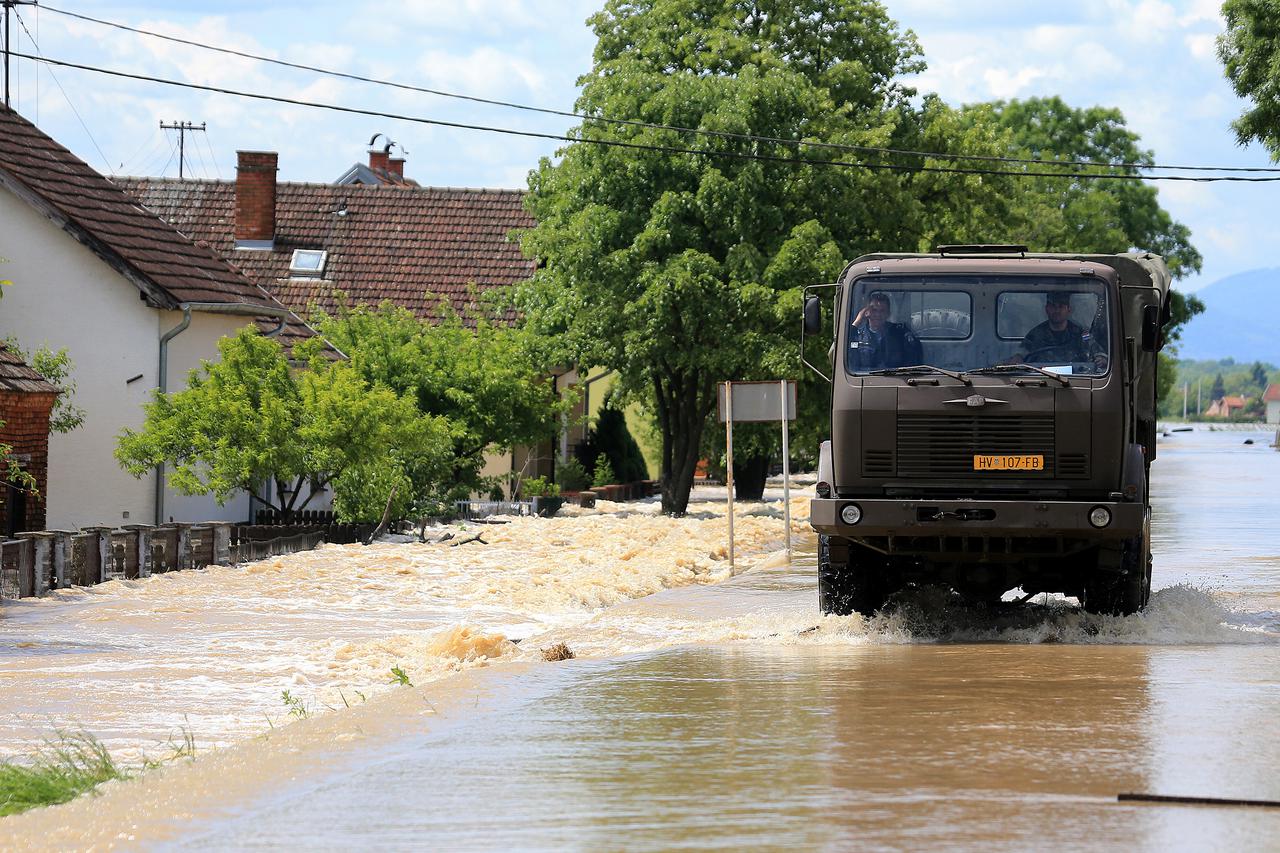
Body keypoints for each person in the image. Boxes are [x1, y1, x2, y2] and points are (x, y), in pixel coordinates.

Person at [1011, 291, 1107, 370]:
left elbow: (1095, 349)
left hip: (1076, 379)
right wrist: (1018, 357)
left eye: (1061, 306)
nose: (1056, 310)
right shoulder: (1036, 334)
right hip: (1042, 379)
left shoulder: (1081, 333)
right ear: (1047, 309)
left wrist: (1101, 358)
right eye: (1053, 306)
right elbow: (1021, 352)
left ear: (1068, 310)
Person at [849, 291, 922, 370]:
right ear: (867, 312)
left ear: (888, 313)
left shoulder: (900, 333)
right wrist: (857, 321)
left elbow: (913, 360)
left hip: (894, 379)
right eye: (874, 310)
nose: (878, 314)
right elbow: (842, 348)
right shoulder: (857, 335)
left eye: (882, 311)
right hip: (863, 380)